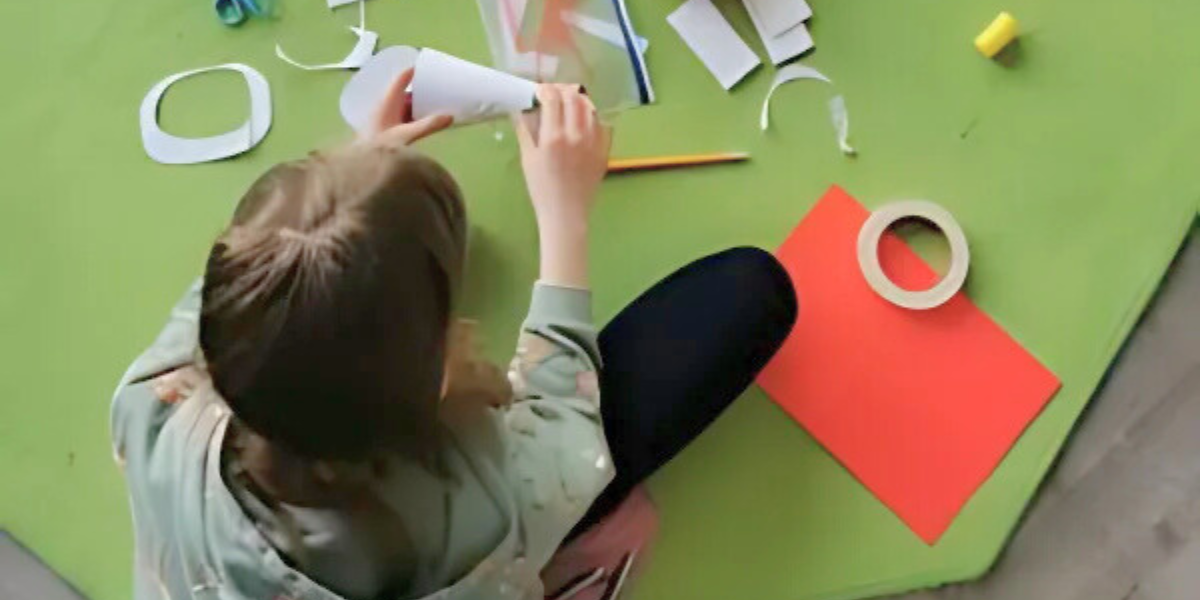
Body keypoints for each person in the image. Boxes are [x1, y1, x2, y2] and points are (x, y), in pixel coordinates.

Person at [110, 69, 797, 600]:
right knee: (750, 294)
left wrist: (350, 188)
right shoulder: (480, 511)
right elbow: (566, 431)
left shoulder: (150, 406)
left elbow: (247, 295)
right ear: (425, 372)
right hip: (456, 568)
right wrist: (565, 219)